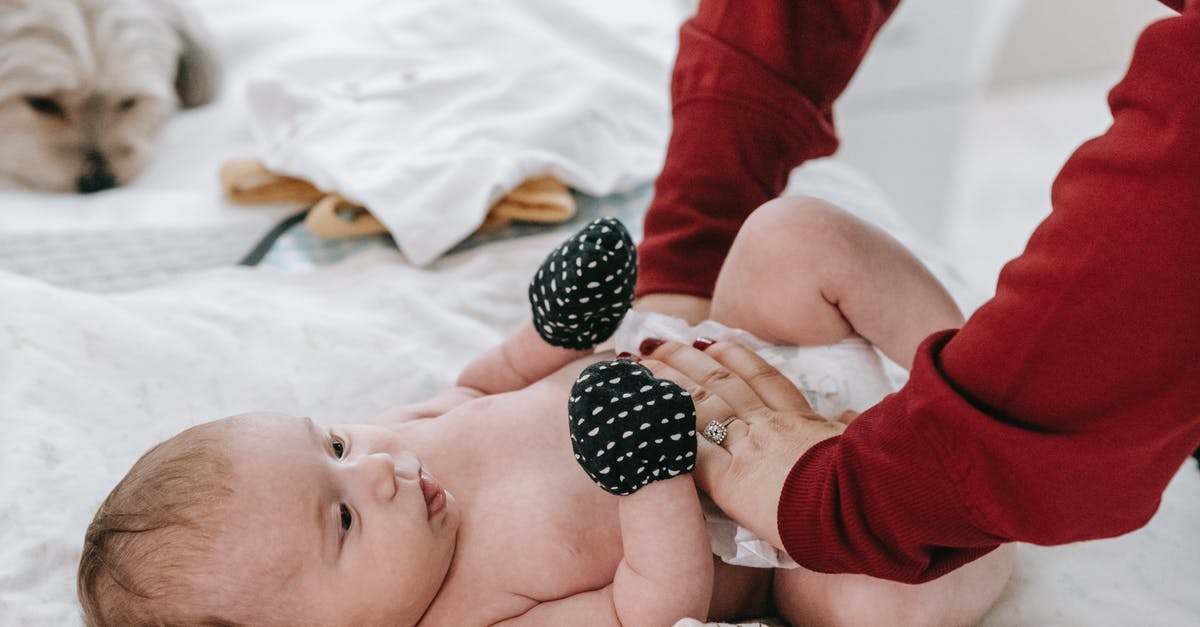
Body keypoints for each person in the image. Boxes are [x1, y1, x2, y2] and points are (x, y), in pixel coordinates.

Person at [77, 208, 1014, 627]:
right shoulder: (470, 617)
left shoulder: (401, 441)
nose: (376, 466)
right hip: (802, 532)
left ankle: (991, 382)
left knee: (789, 234)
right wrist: (646, 482)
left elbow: (486, 385)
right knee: (862, 607)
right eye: (345, 521)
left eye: (331, 442)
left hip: (748, 355)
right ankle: (981, 497)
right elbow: (651, 606)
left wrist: (557, 329)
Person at [627, 0, 1200, 585]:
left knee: (794, 235)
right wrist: (686, 261)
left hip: (801, 441)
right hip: (763, 460)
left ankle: (956, 410)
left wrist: (922, 474)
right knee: (868, 598)